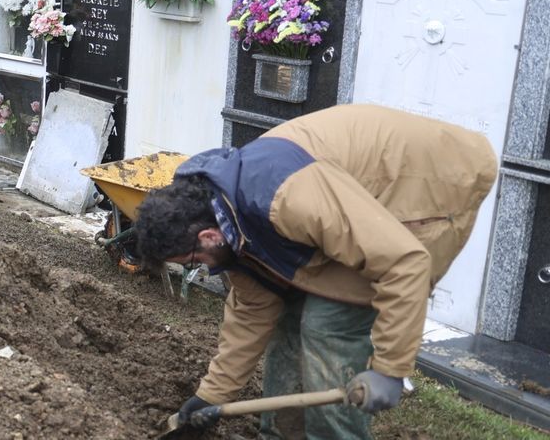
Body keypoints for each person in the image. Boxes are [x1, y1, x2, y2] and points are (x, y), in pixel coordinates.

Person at [133, 104, 497, 439]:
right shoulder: (229, 220)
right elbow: (252, 312)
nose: (200, 269)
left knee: (329, 324)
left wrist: (390, 369)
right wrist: (209, 398)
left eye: (193, 262)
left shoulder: (285, 199)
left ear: (208, 237)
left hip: (432, 184)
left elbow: (404, 262)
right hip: (347, 201)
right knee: (289, 318)